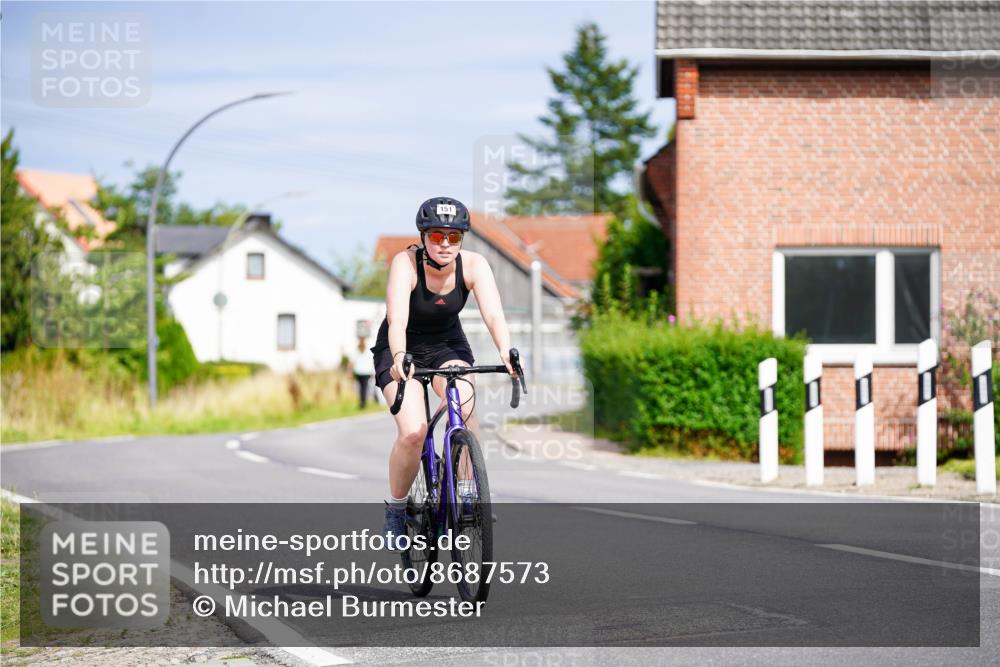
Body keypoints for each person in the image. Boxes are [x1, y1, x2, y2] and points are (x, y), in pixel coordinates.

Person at [370, 196, 515, 550]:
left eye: (454, 236)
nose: (446, 244)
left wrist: (506, 351)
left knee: (464, 408)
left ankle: (468, 491)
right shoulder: (405, 264)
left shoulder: (474, 265)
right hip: (399, 345)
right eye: (437, 236)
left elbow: (494, 315)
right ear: (423, 237)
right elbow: (397, 319)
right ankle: (397, 509)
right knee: (414, 432)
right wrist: (401, 356)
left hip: (448, 344)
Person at [351, 336, 375, 409]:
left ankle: (362, 402)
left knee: (361, 388)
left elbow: (352, 362)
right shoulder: (367, 351)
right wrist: (372, 372)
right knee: (364, 387)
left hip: (359, 372)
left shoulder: (356, 351)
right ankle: (363, 402)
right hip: (366, 372)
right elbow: (371, 362)